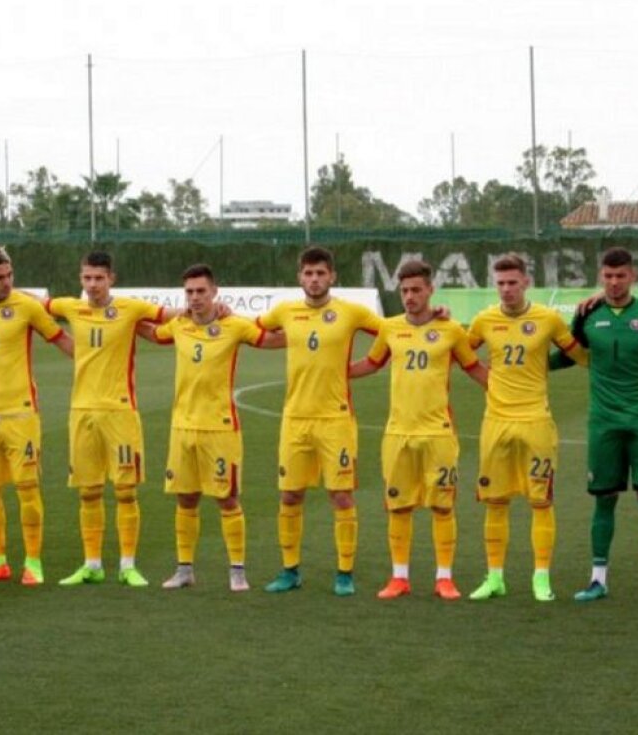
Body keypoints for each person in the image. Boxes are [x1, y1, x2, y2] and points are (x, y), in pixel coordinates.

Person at [552, 248, 638, 604]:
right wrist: (526, 365)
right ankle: (598, 580)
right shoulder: (586, 314)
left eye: (621, 276)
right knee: (604, 498)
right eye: (608, 276)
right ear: (601, 276)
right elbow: (570, 354)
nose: (614, 283)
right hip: (603, 421)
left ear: (633, 276)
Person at [348, 260, 487, 600]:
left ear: (429, 290)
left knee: (442, 506)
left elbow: (474, 368)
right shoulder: (391, 329)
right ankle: (399, 578)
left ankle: (444, 578)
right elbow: (371, 363)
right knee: (398, 506)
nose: (409, 296)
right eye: (404, 291)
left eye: (416, 290)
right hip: (397, 433)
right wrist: (333, 370)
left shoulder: (451, 330)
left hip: (439, 433)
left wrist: (510, 390)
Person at [141, 264, 283, 591]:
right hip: (182, 427)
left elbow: (271, 340)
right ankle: (185, 570)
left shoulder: (234, 326)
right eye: (189, 292)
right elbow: (150, 332)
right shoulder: (179, 325)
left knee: (227, 499)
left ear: (215, 291)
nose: (195, 298)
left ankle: (237, 572)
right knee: (185, 499)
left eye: (201, 291)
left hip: (220, 428)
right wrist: (124, 319)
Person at [257, 246, 383, 597]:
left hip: (336, 420)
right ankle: (290, 571)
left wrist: (362, 367)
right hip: (294, 419)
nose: (314, 280)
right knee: (289, 495)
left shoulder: (351, 312)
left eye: (320, 273)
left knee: (341, 495)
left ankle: (344, 573)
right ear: (300, 277)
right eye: (308, 274)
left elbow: (391, 334)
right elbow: (256, 332)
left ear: (332, 276)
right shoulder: (285, 311)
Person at [467, 253, 585, 602]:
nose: (506, 289)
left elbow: (578, 353)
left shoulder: (547, 319)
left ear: (526, 282)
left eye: (512, 282)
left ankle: (541, 577)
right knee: (495, 501)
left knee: (540, 501)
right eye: (500, 283)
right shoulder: (485, 319)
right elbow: (460, 351)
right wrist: (486, 379)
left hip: (536, 421)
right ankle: (495, 578)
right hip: (496, 422)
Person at [43, 251, 165, 588]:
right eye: (87, 278)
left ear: (112, 278)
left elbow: (174, 315)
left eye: (99, 278)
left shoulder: (131, 309)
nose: (93, 285)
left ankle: (128, 565)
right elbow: (31, 303)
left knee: (126, 491)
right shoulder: (71, 307)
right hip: (81, 412)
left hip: (120, 412)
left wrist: (215, 309)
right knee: (89, 491)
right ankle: (92, 564)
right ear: (81, 279)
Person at [0, 242, 74, 586]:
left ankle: (33, 562)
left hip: (21, 412)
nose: (6, 283)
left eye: (9, 276)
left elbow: (61, 339)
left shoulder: (26, 306)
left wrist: (94, 362)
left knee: (27, 487)